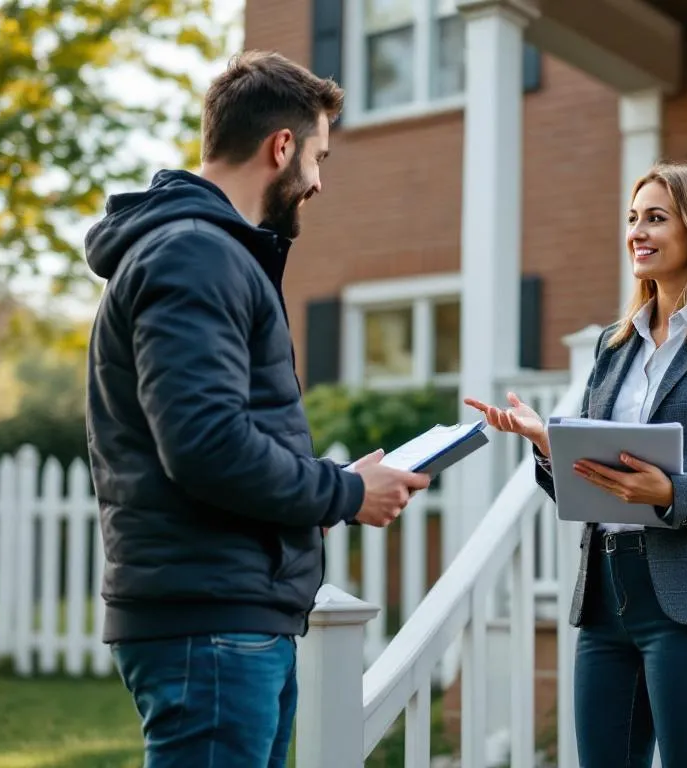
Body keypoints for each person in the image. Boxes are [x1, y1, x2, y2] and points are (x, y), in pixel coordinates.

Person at [83, 50, 430, 768]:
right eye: (318, 156)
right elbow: (207, 444)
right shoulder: (196, 255)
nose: (318, 181)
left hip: (233, 615)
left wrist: (342, 481)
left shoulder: (208, 253)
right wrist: (344, 492)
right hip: (211, 622)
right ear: (282, 147)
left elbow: (222, 428)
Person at [465, 162, 687, 767]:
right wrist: (549, 446)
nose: (637, 232)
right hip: (608, 598)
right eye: (633, 218)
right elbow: (586, 489)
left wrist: (670, 491)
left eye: (656, 218)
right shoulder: (613, 344)